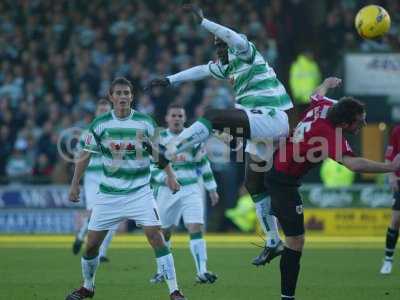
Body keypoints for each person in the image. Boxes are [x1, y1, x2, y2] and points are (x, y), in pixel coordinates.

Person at [148, 3, 292, 266]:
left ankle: (170, 150)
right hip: (258, 128)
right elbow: (201, 70)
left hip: (272, 118)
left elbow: (233, 36)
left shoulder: (246, 53)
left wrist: (205, 22)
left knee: (213, 116)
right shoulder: (227, 68)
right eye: (218, 47)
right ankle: (273, 241)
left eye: (222, 45)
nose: (220, 49)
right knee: (253, 184)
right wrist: (170, 79)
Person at [265, 77, 400, 300]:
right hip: (282, 181)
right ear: (345, 123)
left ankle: (275, 251)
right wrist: (390, 167)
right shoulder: (328, 133)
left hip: (280, 172)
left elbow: (315, 95)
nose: (363, 125)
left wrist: (327, 84)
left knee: (295, 240)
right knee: (296, 241)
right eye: (360, 122)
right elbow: (353, 164)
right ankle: (285, 293)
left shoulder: (325, 106)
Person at [65, 77, 186, 300]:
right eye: (118, 93)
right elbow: (84, 156)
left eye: (126, 93)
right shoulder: (100, 124)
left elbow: (158, 153)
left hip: (140, 192)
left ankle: (175, 291)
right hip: (109, 194)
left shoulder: (145, 122)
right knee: (91, 245)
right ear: (111, 97)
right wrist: (75, 184)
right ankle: (87, 287)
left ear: (132, 97)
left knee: (156, 237)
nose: (122, 97)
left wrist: (171, 176)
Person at [150, 103, 219, 284]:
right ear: (167, 118)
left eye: (180, 116)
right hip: (167, 190)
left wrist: (212, 188)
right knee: (163, 232)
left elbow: (203, 163)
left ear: (184, 118)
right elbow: (151, 167)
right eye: (173, 115)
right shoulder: (160, 138)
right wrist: (164, 179)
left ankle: (202, 271)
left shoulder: (193, 137)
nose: (177, 119)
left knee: (195, 227)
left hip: (191, 188)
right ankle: (161, 270)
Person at [72, 98, 115, 263]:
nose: (103, 113)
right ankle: (82, 235)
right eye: (100, 111)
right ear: (96, 113)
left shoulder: (117, 131)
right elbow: (79, 156)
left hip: (110, 176)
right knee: (95, 212)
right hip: (91, 177)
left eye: (106, 111)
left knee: (112, 214)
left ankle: (102, 252)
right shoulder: (88, 133)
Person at [380, 125, 400, 274]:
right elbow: (389, 158)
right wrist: (392, 176)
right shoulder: (397, 131)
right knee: (395, 220)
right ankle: (388, 260)